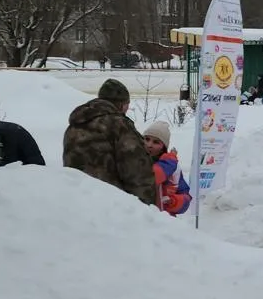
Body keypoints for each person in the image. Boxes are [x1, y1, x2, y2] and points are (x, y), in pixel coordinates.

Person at [62, 78, 157, 206]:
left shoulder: (74, 125)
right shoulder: (119, 125)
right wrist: (146, 210)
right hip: (112, 206)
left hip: (77, 202)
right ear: (122, 104)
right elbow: (137, 171)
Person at [143, 120, 191, 216]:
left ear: (163, 147)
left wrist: (174, 202)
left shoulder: (173, 167)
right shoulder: (134, 160)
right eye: (147, 139)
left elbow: (186, 198)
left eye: (156, 142)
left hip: (165, 223)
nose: (149, 145)